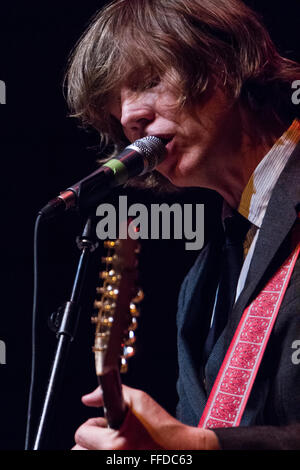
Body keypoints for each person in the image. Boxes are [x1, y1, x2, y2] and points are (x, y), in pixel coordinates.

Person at [64, 0, 300, 450]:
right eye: (118, 112)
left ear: (222, 64)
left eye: (149, 81)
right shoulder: (199, 285)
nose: (132, 118)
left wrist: (201, 447)